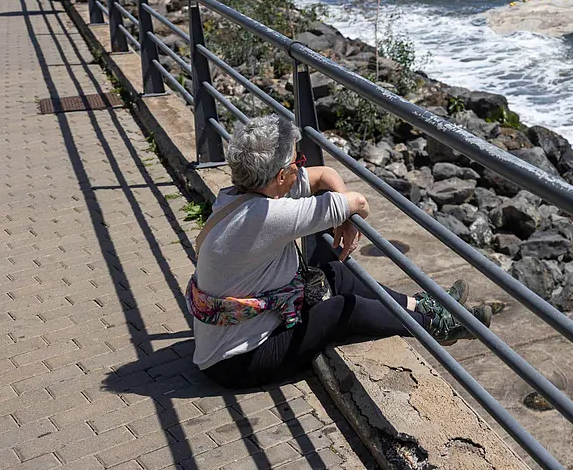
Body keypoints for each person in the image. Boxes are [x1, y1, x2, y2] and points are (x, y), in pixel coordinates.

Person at [190, 114, 491, 389]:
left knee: (336, 273)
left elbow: (325, 174)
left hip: (247, 331)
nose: (301, 167)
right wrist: (348, 211)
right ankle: (434, 327)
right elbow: (360, 202)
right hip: (237, 362)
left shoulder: (238, 196)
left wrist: (344, 217)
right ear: (281, 176)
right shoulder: (268, 216)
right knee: (343, 309)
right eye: (298, 162)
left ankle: (421, 306)